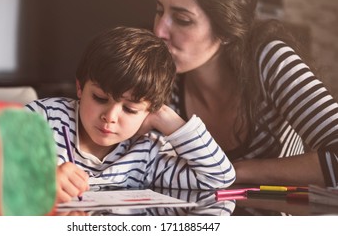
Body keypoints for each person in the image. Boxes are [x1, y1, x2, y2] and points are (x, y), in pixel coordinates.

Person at [153, 0, 338, 187]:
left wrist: (235, 171)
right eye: (159, 11)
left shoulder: (270, 60)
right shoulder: (157, 74)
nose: (159, 30)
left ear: (227, 29)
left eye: (182, 20)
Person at [26, 26, 235, 203]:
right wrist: (40, 179)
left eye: (130, 109)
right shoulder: (42, 120)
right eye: (99, 97)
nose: (110, 116)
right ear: (80, 87)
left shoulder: (146, 153)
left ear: (149, 111)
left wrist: (168, 119)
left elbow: (219, 177)